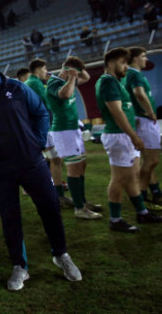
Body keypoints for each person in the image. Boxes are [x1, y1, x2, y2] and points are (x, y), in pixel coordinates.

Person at [0, 53, 81, 291]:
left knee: (50, 208)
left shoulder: (16, 88)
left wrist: (36, 141)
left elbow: (41, 112)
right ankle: (20, 265)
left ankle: (61, 254)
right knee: (11, 217)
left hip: (32, 163)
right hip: (0, 170)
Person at [94, 47, 162, 233]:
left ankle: (142, 212)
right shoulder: (107, 82)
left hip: (124, 134)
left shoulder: (116, 81)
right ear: (110, 63)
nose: (126, 66)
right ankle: (115, 219)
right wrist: (134, 136)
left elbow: (124, 109)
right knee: (119, 179)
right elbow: (117, 113)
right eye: (122, 62)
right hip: (119, 135)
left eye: (127, 62)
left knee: (132, 177)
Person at [46, 57, 103, 220]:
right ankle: (79, 208)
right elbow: (66, 94)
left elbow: (86, 78)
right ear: (66, 70)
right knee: (74, 167)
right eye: (74, 72)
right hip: (63, 131)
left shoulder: (68, 80)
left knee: (81, 164)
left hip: (72, 129)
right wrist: (71, 76)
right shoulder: (54, 83)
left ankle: (82, 202)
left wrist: (78, 68)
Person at [122, 47, 162, 209]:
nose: (146, 59)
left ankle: (156, 192)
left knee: (148, 160)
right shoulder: (135, 74)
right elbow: (139, 93)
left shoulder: (130, 74)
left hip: (140, 119)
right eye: (143, 56)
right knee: (152, 160)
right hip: (145, 120)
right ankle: (143, 197)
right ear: (134, 59)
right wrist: (150, 111)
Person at [25, 59, 73, 210]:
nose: (46, 72)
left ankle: (55, 194)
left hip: (42, 128)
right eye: (44, 69)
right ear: (37, 69)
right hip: (44, 128)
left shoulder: (31, 83)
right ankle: (58, 196)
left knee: (53, 161)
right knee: (55, 160)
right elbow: (48, 102)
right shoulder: (34, 83)